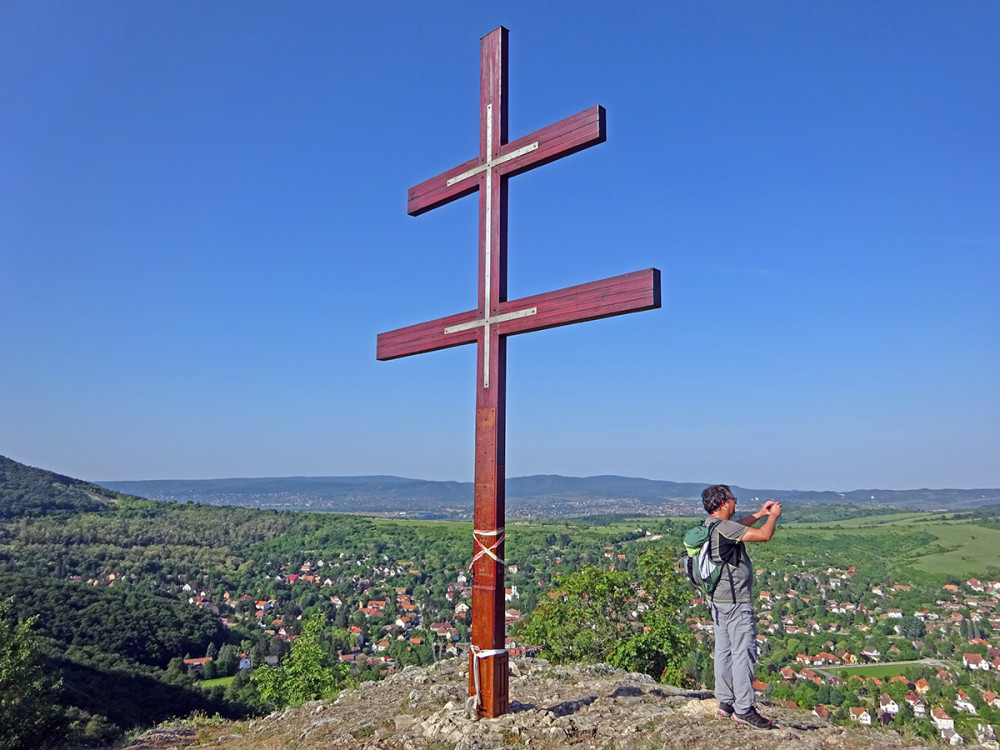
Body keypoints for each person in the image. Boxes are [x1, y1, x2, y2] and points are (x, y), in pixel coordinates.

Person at [700, 483, 782, 729]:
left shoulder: (710, 526)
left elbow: (738, 528)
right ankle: (743, 709)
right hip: (736, 603)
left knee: (724, 652)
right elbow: (764, 535)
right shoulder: (725, 528)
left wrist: (759, 514)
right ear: (724, 503)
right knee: (743, 653)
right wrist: (773, 517)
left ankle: (725, 702)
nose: (736, 503)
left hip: (718, 600)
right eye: (734, 499)